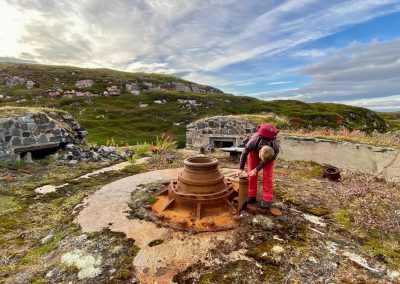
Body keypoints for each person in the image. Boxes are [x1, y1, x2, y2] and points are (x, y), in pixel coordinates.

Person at [237, 123, 280, 209]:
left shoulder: (275, 149)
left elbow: (266, 161)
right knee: (251, 173)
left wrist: (257, 169)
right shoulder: (253, 142)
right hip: (253, 152)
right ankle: (251, 194)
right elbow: (244, 153)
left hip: (268, 156)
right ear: (260, 152)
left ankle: (267, 199)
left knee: (268, 176)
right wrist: (240, 168)